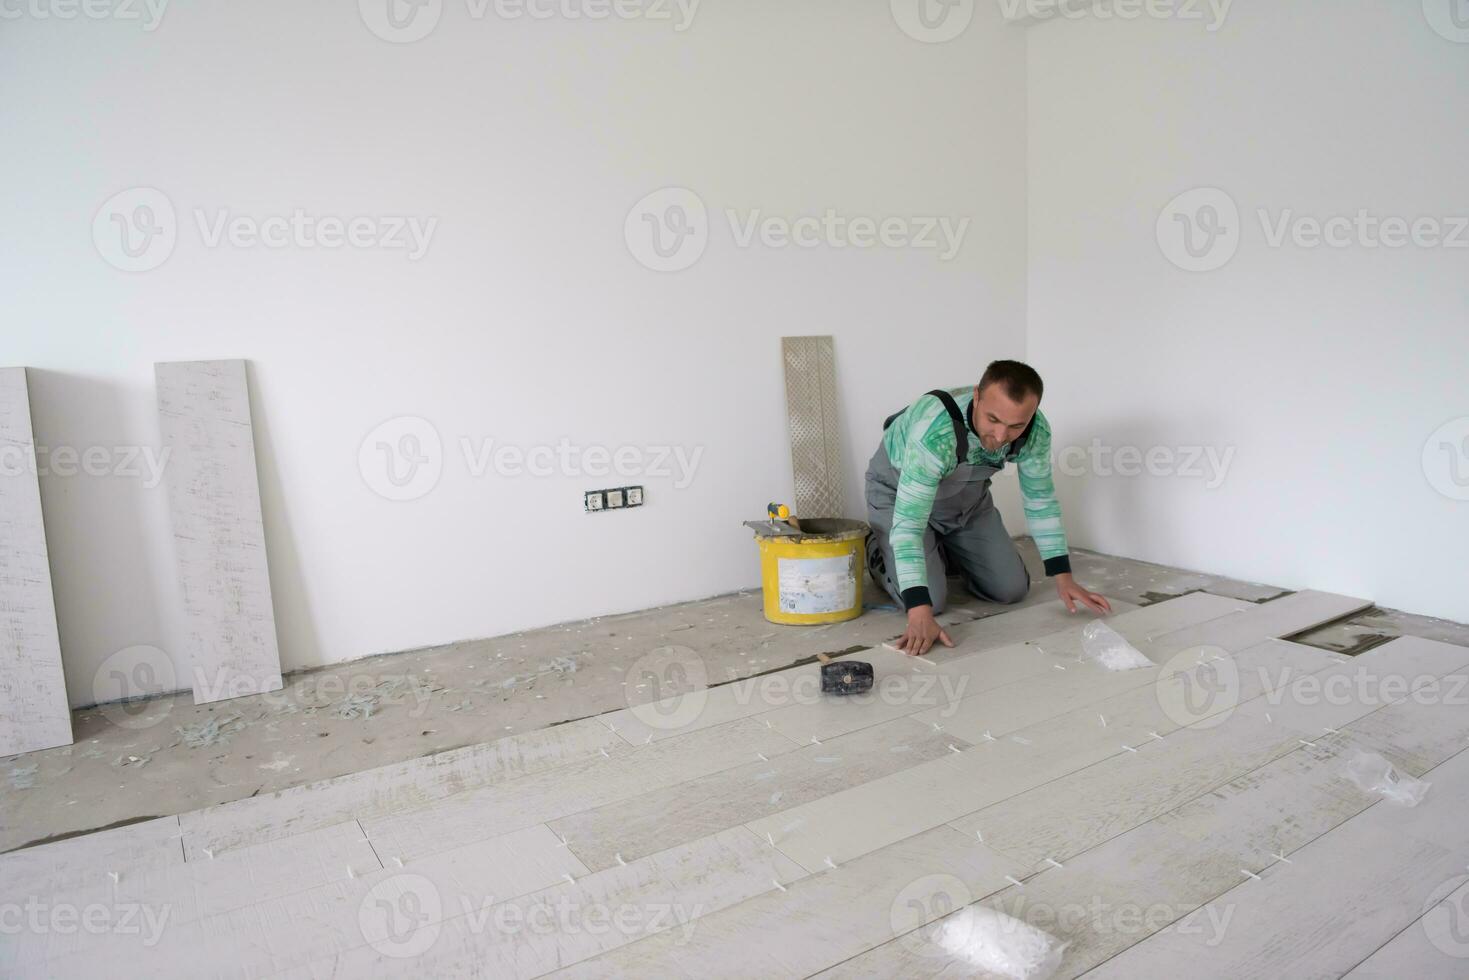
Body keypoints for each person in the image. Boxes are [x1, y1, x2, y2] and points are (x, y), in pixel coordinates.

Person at [865, 360, 1111, 656]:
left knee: (1012, 590)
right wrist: (918, 612)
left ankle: (942, 551)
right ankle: (876, 547)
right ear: (977, 396)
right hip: (899, 498)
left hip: (966, 502)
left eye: (1015, 426)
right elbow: (909, 523)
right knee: (932, 602)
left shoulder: (1036, 432)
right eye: (992, 419)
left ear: (1031, 415)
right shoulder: (935, 430)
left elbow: (1040, 499)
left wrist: (1064, 578)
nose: (1000, 436)